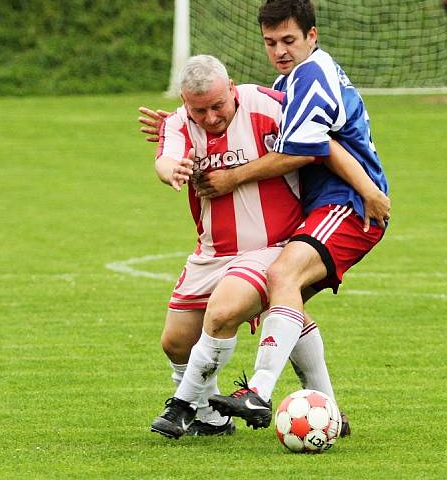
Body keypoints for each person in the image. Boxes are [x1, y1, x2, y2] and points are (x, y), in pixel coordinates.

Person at [190, 0, 390, 431]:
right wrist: (178, 123)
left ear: (311, 35)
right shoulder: (289, 82)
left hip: (346, 206)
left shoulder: (311, 76)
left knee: (281, 277)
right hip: (327, 205)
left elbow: (306, 152)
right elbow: (239, 109)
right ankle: (330, 414)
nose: (279, 51)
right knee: (284, 300)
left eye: (288, 40)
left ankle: (259, 391)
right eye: (270, 42)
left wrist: (234, 176)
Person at [148, 54, 377, 439]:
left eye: (218, 105)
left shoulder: (269, 105)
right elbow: (166, 159)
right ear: (186, 104)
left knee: (224, 313)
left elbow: (317, 141)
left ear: (233, 88)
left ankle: (182, 407)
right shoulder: (178, 122)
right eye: (199, 110)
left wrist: (369, 187)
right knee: (175, 342)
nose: (210, 118)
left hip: (272, 244)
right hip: (211, 252)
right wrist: (172, 170)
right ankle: (213, 416)